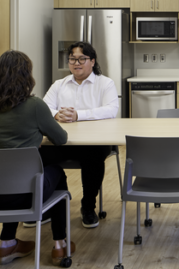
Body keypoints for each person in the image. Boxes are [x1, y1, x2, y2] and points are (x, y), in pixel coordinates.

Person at [0, 50, 75, 266]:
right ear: (26, 76)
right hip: (22, 196)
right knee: (56, 172)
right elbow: (61, 138)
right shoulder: (34, 105)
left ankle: (7, 243)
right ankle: (59, 244)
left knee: (6, 178)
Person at [40, 41, 118, 229]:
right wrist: (57, 115)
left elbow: (111, 110)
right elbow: (44, 108)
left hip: (94, 142)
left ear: (92, 61)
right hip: (63, 142)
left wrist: (78, 115)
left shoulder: (105, 83)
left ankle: (88, 207)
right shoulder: (59, 84)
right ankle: (45, 205)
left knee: (94, 157)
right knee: (39, 154)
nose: (76, 63)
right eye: (72, 59)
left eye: (82, 59)